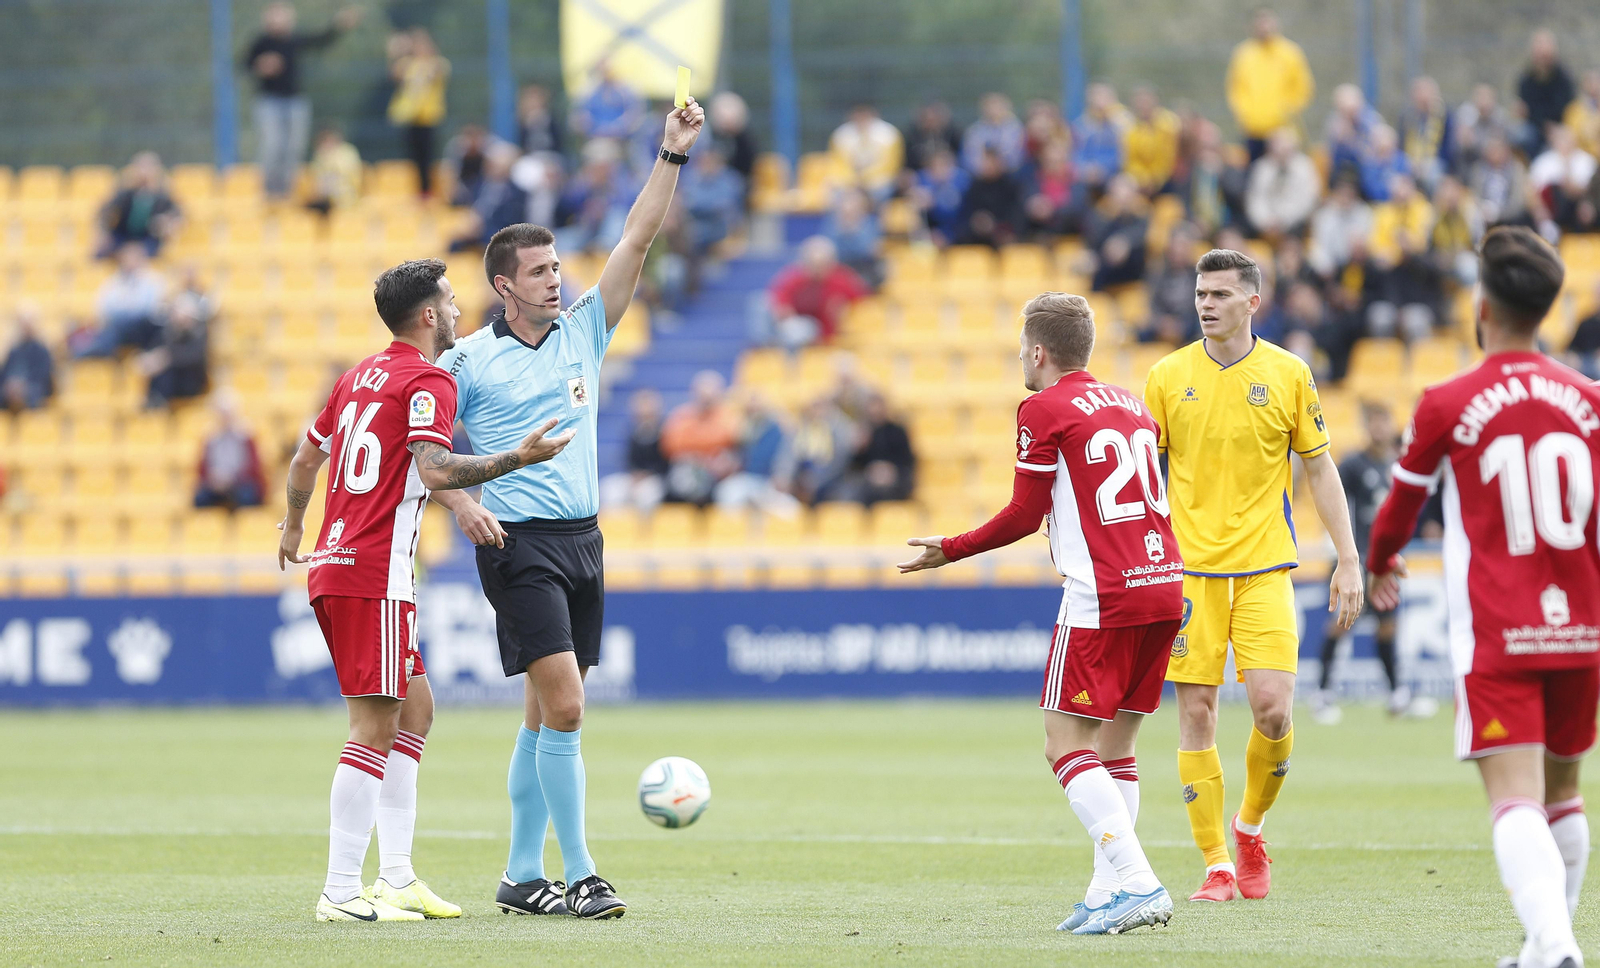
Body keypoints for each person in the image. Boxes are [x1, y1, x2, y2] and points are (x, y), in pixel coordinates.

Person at [426, 97, 705, 921]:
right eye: (543, 272)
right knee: (572, 707)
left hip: (585, 539)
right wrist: (463, 506)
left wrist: (671, 155)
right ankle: (582, 871)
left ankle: (518, 874)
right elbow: (429, 459)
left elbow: (637, 238)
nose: (560, 279)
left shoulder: (586, 330)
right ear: (505, 285)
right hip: (518, 544)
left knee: (544, 711)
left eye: (559, 268)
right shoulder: (467, 361)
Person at [277, 258, 574, 922]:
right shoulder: (428, 380)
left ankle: (399, 877)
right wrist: (515, 460)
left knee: (415, 711)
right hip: (373, 572)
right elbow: (434, 468)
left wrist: (295, 524)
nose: (460, 308)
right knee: (374, 726)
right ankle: (340, 890)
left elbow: (306, 459)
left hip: (340, 561)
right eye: (450, 299)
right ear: (428, 315)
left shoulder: (358, 375)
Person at [898, 291, 1181, 935]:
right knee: (1118, 747)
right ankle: (1107, 891)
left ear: (1038, 351)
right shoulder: (1132, 405)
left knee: (1063, 745)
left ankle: (1137, 882)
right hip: (1164, 582)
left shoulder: (1041, 407)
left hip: (1102, 593)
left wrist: (952, 549)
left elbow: (1026, 513)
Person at [1366, 226, 1596, 968]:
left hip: (1502, 631)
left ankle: (1555, 948)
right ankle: (1544, 949)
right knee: (1565, 789)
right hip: (1583, 627)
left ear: (1482, 307)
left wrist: (1379, 563)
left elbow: (1399, 509)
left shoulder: (1447, 400)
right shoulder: (1590, 401)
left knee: (1514, 798)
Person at [1143, 248, 1364, 903]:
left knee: (1272, 710)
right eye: (1200, 293)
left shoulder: (1291, 374)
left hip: (1268, 568)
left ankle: (1249, 829)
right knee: (1198, 715)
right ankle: (1214, 864)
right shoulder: (1166, 376)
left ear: (1251, 302)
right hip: (1190, 575)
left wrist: (1348, 559)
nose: (1205, 304)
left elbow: (1321, 469)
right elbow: (1144, 479)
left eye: (1219, 294)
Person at [1307, 402, 1416, 724]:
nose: (1379, 428)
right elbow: (1340, 507)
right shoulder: (1353, 464)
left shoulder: (1395, 464)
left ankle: (1397, 694)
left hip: (1383, 562)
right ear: (1366, 425)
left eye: (1384, 420)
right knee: (1341, 624)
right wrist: (1345, 553)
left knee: (1387, 627)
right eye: (1374, 421)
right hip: (1354, 559)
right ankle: (1323, 695)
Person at [243, 2, 363, 200]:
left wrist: (339, 25)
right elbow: (245, 64)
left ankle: (286, 191)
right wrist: (261, 66)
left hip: (295, 101)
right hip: (269, 101)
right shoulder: (261, 43)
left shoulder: (294, 40)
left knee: (293, 147)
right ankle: (270, 190)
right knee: (272, 145)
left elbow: (321, 40)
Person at [1225, 8, 1314, 162]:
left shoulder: (1290, 53)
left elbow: (1303, 87)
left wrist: (1288, 110)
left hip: (1282, 129)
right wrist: (1245, 114)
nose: (1264, 29)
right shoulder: (1243, 54)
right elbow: (1235, 89)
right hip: (1253, 129)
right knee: (1255, 174)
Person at [764, 236, 868, 348]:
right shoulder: (795, 278)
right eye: (813, 264)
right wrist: (785, 313)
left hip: (834, 334)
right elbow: (780, 300)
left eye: (822, 264)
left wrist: (847, 311)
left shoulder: (843, 279)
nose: (818, 269)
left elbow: (864, 303)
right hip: (804, 331)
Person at [387, 28, 450, 198]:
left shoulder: (436, 63)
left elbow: (438, 72)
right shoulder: (407, 64)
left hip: (429, 117)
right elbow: (395, 74)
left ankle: (429, 191)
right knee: (414, 158)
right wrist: (400, 51)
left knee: (428, 157)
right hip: (411, 117)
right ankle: (419, 191)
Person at [80, 242, 166, 358]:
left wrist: (123, 312)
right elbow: (103, 307)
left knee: (116, 327)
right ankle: (100, 350)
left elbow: (148, 309)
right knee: (110, 327)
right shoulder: (114, 281)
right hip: (119, 327)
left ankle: (101, 349)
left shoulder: (152, 280)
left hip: (144, 328)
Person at [98, 151, 180, 257]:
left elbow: (177, 215)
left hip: (149, 239)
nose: (144, 172)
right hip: (123, 237)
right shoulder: (125, 193)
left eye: (148, 167)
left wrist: (167, 223)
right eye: (141, 167)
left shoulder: (163, 197)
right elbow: (105, 211)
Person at [1244, 127, 1319, 240]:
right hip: (1266, 225)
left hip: (1294, 223)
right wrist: (1265, 221)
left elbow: (1308, 200)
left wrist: (1284, 220)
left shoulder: (1304, 166)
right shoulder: (1262, 168)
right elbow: (1255, 199)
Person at [599, 389, 667, 512]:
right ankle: (615, 529)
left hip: (657, 479)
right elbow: (629, 460)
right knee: (610, 489)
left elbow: (666, 462)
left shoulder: (665, 432)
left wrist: (646, 474)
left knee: (646, 494)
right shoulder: (633, 432)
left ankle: (644, 531)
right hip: (633, 477)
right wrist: (634, 475)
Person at [194, 394, 266, 509]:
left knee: (247, 497)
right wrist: (213, 479)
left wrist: (233, 479)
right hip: (215, 484)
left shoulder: (246, 436)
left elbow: (254, 467)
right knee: (200, 499)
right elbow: (202, 468)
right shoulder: (210, 438)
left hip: (241, 482)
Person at [140, 290, 210, 407]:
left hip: (191, 381)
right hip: (173, 380)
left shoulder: (200, 331)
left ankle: (157, 400)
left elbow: (195, 357)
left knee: (164, 369)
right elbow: (157, 348)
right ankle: (153, 400)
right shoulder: (169, 330)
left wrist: (166, 359)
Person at [1518, 29, 1576, 155]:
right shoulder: (1526, 80)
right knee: (1522, 135)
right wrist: (1544, 125)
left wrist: (1554, 127)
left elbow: (1566, 106)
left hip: (1560, 124)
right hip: (1536, 126)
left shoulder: (1564, 78)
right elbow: (1527, 109)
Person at [829, 104, 903, 201]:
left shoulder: (889, 135)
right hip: (850, 183)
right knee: (837, 194)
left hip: (878, 181)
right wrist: (853, 181)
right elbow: (838, 165)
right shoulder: (841, 136)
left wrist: (866, 178)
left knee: (882, 192)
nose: (861, 119)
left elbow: (890, 165)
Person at [1399, 76, 1454, 193]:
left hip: (1435, 162)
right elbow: (1401, 145)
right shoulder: (1407, 117)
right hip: (1411, 161)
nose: (1423, 97)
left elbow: (1449, 147)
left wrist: (1428, 163)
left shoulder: (1444, 116)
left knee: (1432, 176)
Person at [1123, 87, 1180, 196]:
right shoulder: (1130, 128)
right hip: (1139, 183)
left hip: (1166, 181)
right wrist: (1142, 178)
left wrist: (1155, 179)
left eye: (1146, 101)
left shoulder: (1167, 125)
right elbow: (1130, 159)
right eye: (1140, 102)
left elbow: (1168, 157)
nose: (1143, 106)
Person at [1, 308, 55, 412]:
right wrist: (11, 385)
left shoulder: (42, 351)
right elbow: (4, 375)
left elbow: (44, 379)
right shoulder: (14, 351)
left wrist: (23, 387)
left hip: (34, 391)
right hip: (10, 393)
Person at [962, 93, 1026, 173]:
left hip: (1011, 174)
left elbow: (1017, 156)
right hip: (981, 175)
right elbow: (970, 158)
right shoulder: (974, 131)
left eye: (998, 106)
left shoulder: (1016, 129)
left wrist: (1000, 164)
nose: (993, 110)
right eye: (990, 106)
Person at [305, 127, 361, 216]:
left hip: (345, 198)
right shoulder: (320, 156)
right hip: (325, 200)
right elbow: (317, 182)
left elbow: (349, 177)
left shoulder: (347, 153)